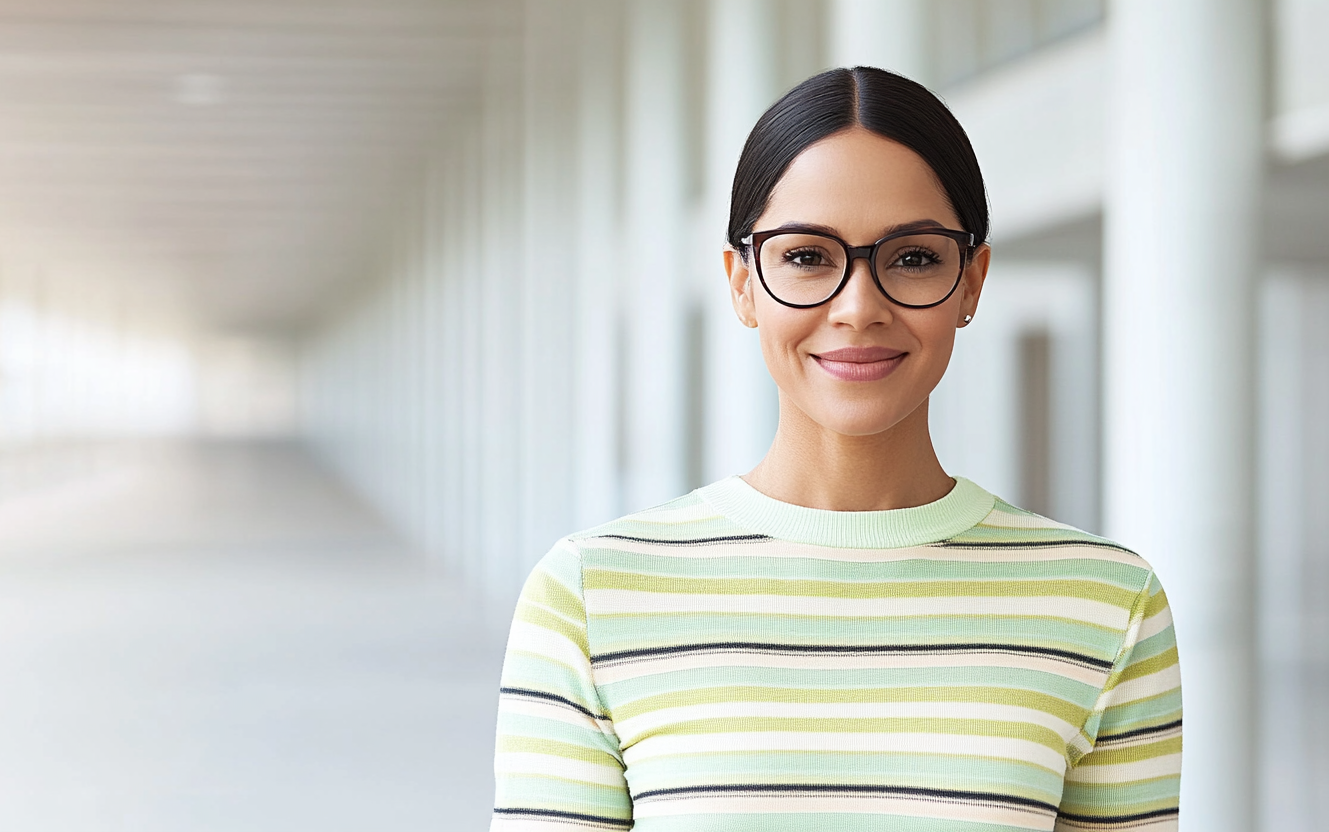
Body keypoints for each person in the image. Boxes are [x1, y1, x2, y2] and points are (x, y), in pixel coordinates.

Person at [490, 67, 1181, 832]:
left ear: (972, 282)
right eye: (807, 257)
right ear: (742, 283)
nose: (859, 308)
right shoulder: (591, 595)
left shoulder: (1106, 603)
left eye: (913, 257)